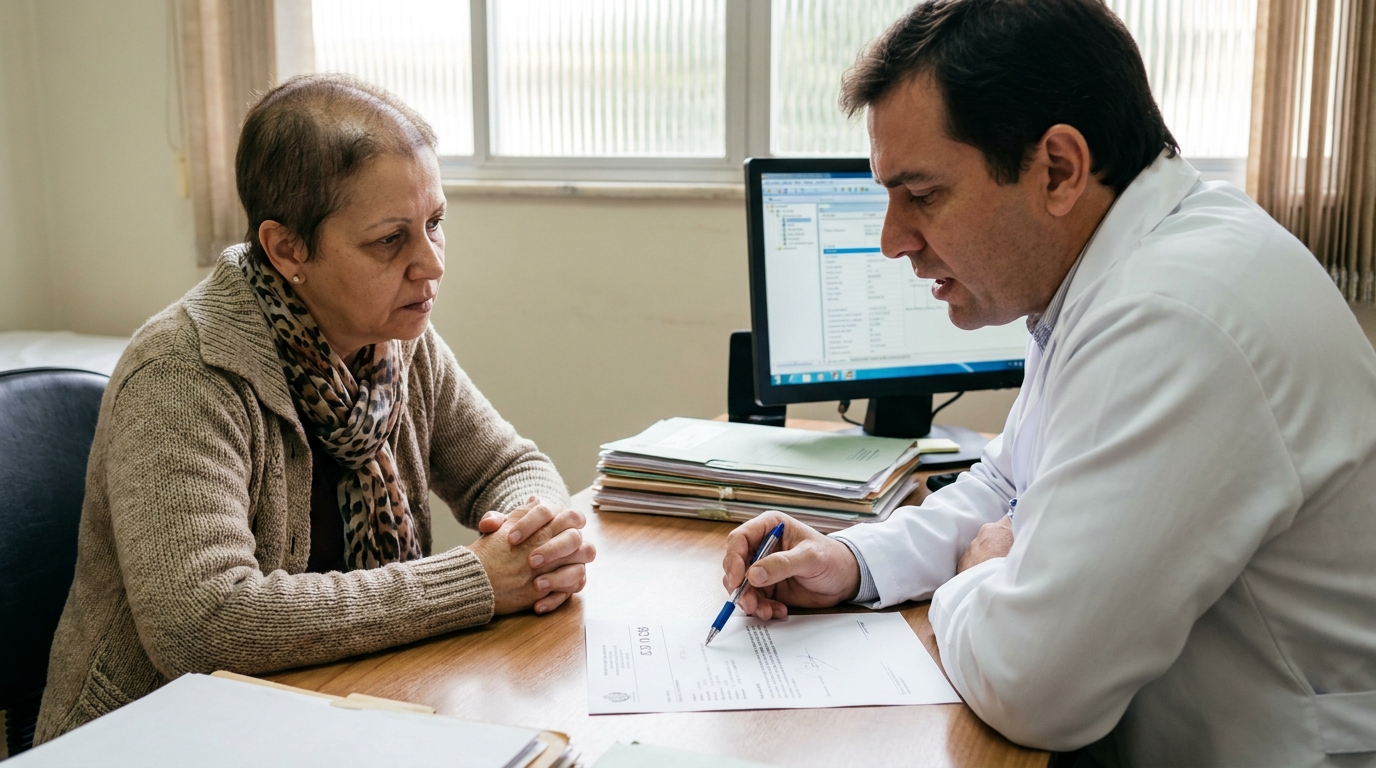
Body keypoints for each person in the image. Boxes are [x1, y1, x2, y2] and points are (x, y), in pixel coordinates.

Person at [721, 1, 1376, 764]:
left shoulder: (1175, 316)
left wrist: (980, 573)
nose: (892, 241)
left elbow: (1034, 688)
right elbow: (1008, 485)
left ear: (1058, 170)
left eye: (921, 195)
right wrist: (857, 562)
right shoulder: (1114, 272)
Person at [35, 74, 596, 742]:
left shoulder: (396, 339)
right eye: (389, 240)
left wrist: (534, 537)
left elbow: (507, 465)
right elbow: (203, 623)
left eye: (435, 224)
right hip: (156, 738)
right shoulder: (182, 373)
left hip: (336, 710)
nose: (431, 264)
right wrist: (475, 581)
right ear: (287, 249)